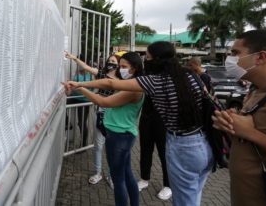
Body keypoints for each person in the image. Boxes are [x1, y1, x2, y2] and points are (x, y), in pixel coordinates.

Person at [64, 41, 213, 206]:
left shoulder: (154, 81)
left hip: (182, 145)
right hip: (202, 141)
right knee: (192, 196)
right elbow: (208, 101)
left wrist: (79, 85)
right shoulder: (189, 74)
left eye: (147, 57)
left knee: (184, 200)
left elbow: (110, 85)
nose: (146, 61)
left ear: (157, 59)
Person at [212, 29, 266, 206]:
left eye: (235, 53)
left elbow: (251, 133)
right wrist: (231, 126)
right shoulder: (255, 90)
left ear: (260, 57)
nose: (230, 59)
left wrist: (251, 133)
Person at [70, 52, 144, 206]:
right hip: (123, 134)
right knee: (128, 175)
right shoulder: (130, 82)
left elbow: (103, 101)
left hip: (119, 136)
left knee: (119, 180)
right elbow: (105, 82)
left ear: (134, 68)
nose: (120, 69)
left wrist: (79, 87)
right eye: (119, 66)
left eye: (124, 67)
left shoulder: (133, 88)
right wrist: (81, 84)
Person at [65, 51, 119, 186]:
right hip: (101, 115)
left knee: (112, 149)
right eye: (110, 61)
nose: (111, 64)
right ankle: (97, 172)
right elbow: (86, 67)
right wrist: (74, 58)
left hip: (115, 118)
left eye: (114, 62)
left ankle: (112, 175)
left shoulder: (123, 81)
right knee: (98, 146)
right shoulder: (101, 74)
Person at [137, 95, 172, 200]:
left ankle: (168, 185)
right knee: (145, 149)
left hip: (164, 119)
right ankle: (144, 178)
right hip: (147, 116)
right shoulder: (147, 78)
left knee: (164, 153)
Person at [67, 65, 93, 146]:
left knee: (81, 123)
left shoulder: (91, 76)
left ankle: (83, 144)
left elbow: (93, 87)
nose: (80, 67)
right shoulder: (76, 74)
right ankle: (67, 123)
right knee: (61, 105)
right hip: (74, 98)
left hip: (85, 101)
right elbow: (71, 86)